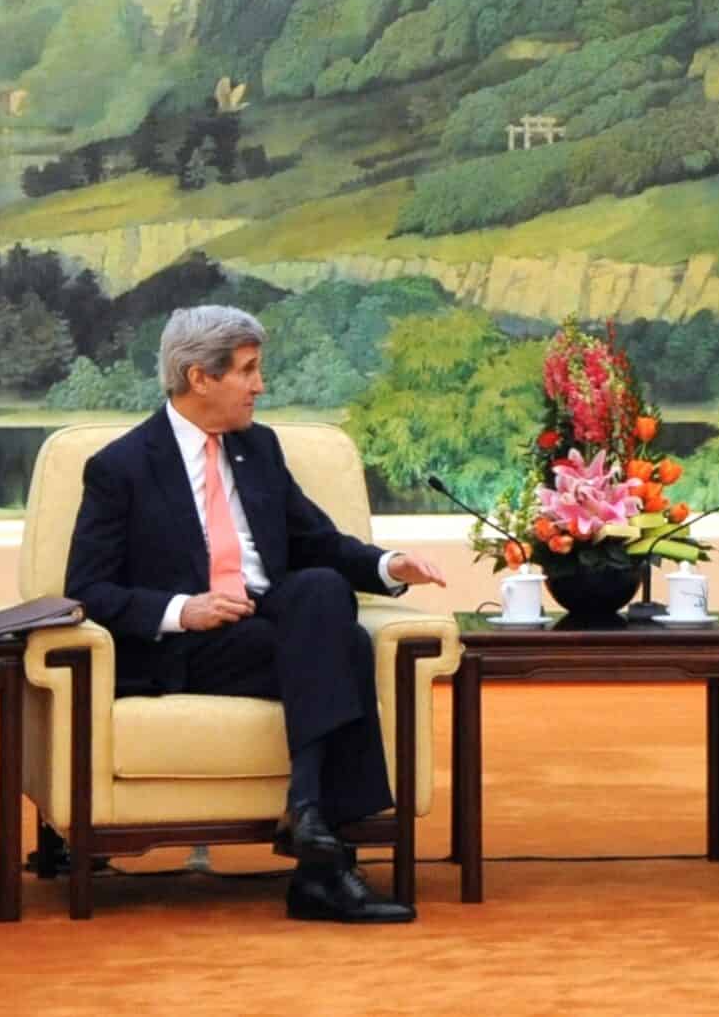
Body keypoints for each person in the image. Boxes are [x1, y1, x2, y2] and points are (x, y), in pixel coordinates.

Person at [61, 305, 448, 924]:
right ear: (199, 378)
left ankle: (309, 813)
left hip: (270, 624)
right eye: (247, 370)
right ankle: (323, 867)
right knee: (348, 648)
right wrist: (185, 610)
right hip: (190, 645)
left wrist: (388, 565)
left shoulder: (258, 448)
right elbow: (87, 589)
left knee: (321, 587)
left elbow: (317, 541)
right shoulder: (121, 466)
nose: (260, 386)